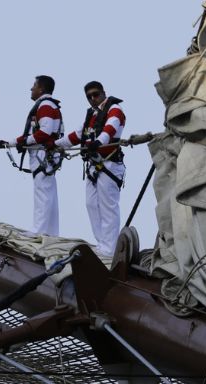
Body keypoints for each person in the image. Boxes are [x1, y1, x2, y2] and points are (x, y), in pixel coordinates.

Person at [53, 81, 126, 257]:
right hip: (94, 167)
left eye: (96, 94)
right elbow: (77, 135)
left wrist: (98, 142)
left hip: (109, 165)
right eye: (89, 96)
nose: (93, 99)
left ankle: (109, 249)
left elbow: (109, 130)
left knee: (108, 207)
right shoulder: (92, 115)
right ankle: (103, 244)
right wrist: (54, 145)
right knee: (91, 204)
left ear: (103, 93)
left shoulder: (114, 109)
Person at [0, 75, 63, 236]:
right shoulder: (49, 105)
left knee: (42, 192)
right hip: (46, 155)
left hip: (43, 155)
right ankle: (50, 232)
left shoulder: (45, 106)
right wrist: (11, 142)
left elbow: (45, 132)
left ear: (41, 89)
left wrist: (23, 141)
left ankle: (39, 231)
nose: (31, 89)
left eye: (34, 85)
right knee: (48, 193)